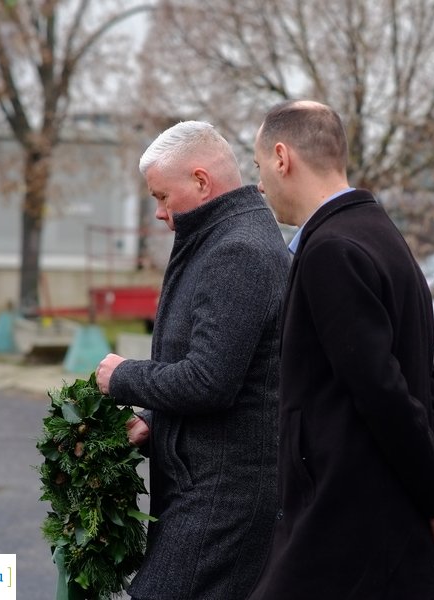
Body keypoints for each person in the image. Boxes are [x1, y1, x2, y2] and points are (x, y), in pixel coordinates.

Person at [247, 100, 434, 600]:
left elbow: (385, 391)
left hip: (345, 522)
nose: (261, 183)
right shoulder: (380, 234)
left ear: (282, 156)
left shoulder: (332, 250)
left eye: (259, 166)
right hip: (378, 525)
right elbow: (426, 382)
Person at [95, 120, 290, 600]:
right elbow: (216, 363)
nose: (159, 213)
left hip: (222, 495)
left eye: (162, 196)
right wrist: (153, 419)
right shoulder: (222, 240)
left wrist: (123, 378)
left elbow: (209, 381)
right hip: (207, 484)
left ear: (201, 182)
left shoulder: (238, 251)